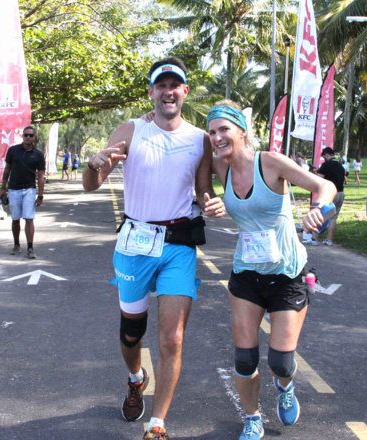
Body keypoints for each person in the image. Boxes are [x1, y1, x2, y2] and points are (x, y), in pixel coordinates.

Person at [83, 56, 224, 440]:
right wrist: (94, 164)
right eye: (160, 86)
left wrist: (213, 201)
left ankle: (158, 423)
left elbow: (203, 188)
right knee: (132, 333)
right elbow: (90, 185)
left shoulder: (198, 139)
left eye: (173, 85)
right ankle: (135, 377)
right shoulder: (131, 130)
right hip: (134, 243)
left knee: (172, 338)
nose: (167, 92)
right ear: (151, 92)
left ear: (184, 91)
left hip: (178, 244)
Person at [207, 101, 336, 440]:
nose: (217, 137)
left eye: (223, 129)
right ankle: (252, 418)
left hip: (288, 274)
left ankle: (285, 386)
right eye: (211, 131)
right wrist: (208, 201)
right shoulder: (220, 167)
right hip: (246, 274)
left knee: (280, 361)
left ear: (241, 131)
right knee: (245, 358)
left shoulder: (271, 162)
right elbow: (186, 170)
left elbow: (325, 186)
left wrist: (318, 210)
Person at [0, 126, 46, 259]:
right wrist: (3, 188)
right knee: (15, 219)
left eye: (31, 135)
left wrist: (41, 195)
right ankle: (16, 244)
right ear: (22, 136)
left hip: (29, 189)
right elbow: (7, 169)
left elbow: (41, 176)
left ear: (34, 137)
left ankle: (30, 248)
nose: (28, 137)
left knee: (29, 218)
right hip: (14, 189)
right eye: (26, 135)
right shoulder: (13, 151)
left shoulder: (38, 154)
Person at [304, 147, 345, 246]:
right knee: (333, 218)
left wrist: (313, 171)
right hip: (341, 193)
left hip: (329, 194)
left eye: (324, 156)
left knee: (321, 216)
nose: (324, 159)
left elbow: (320, 177)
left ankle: (314, 239)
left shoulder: (326, 165)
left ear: (327, 154)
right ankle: (329, 240)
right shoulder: (341, 166)